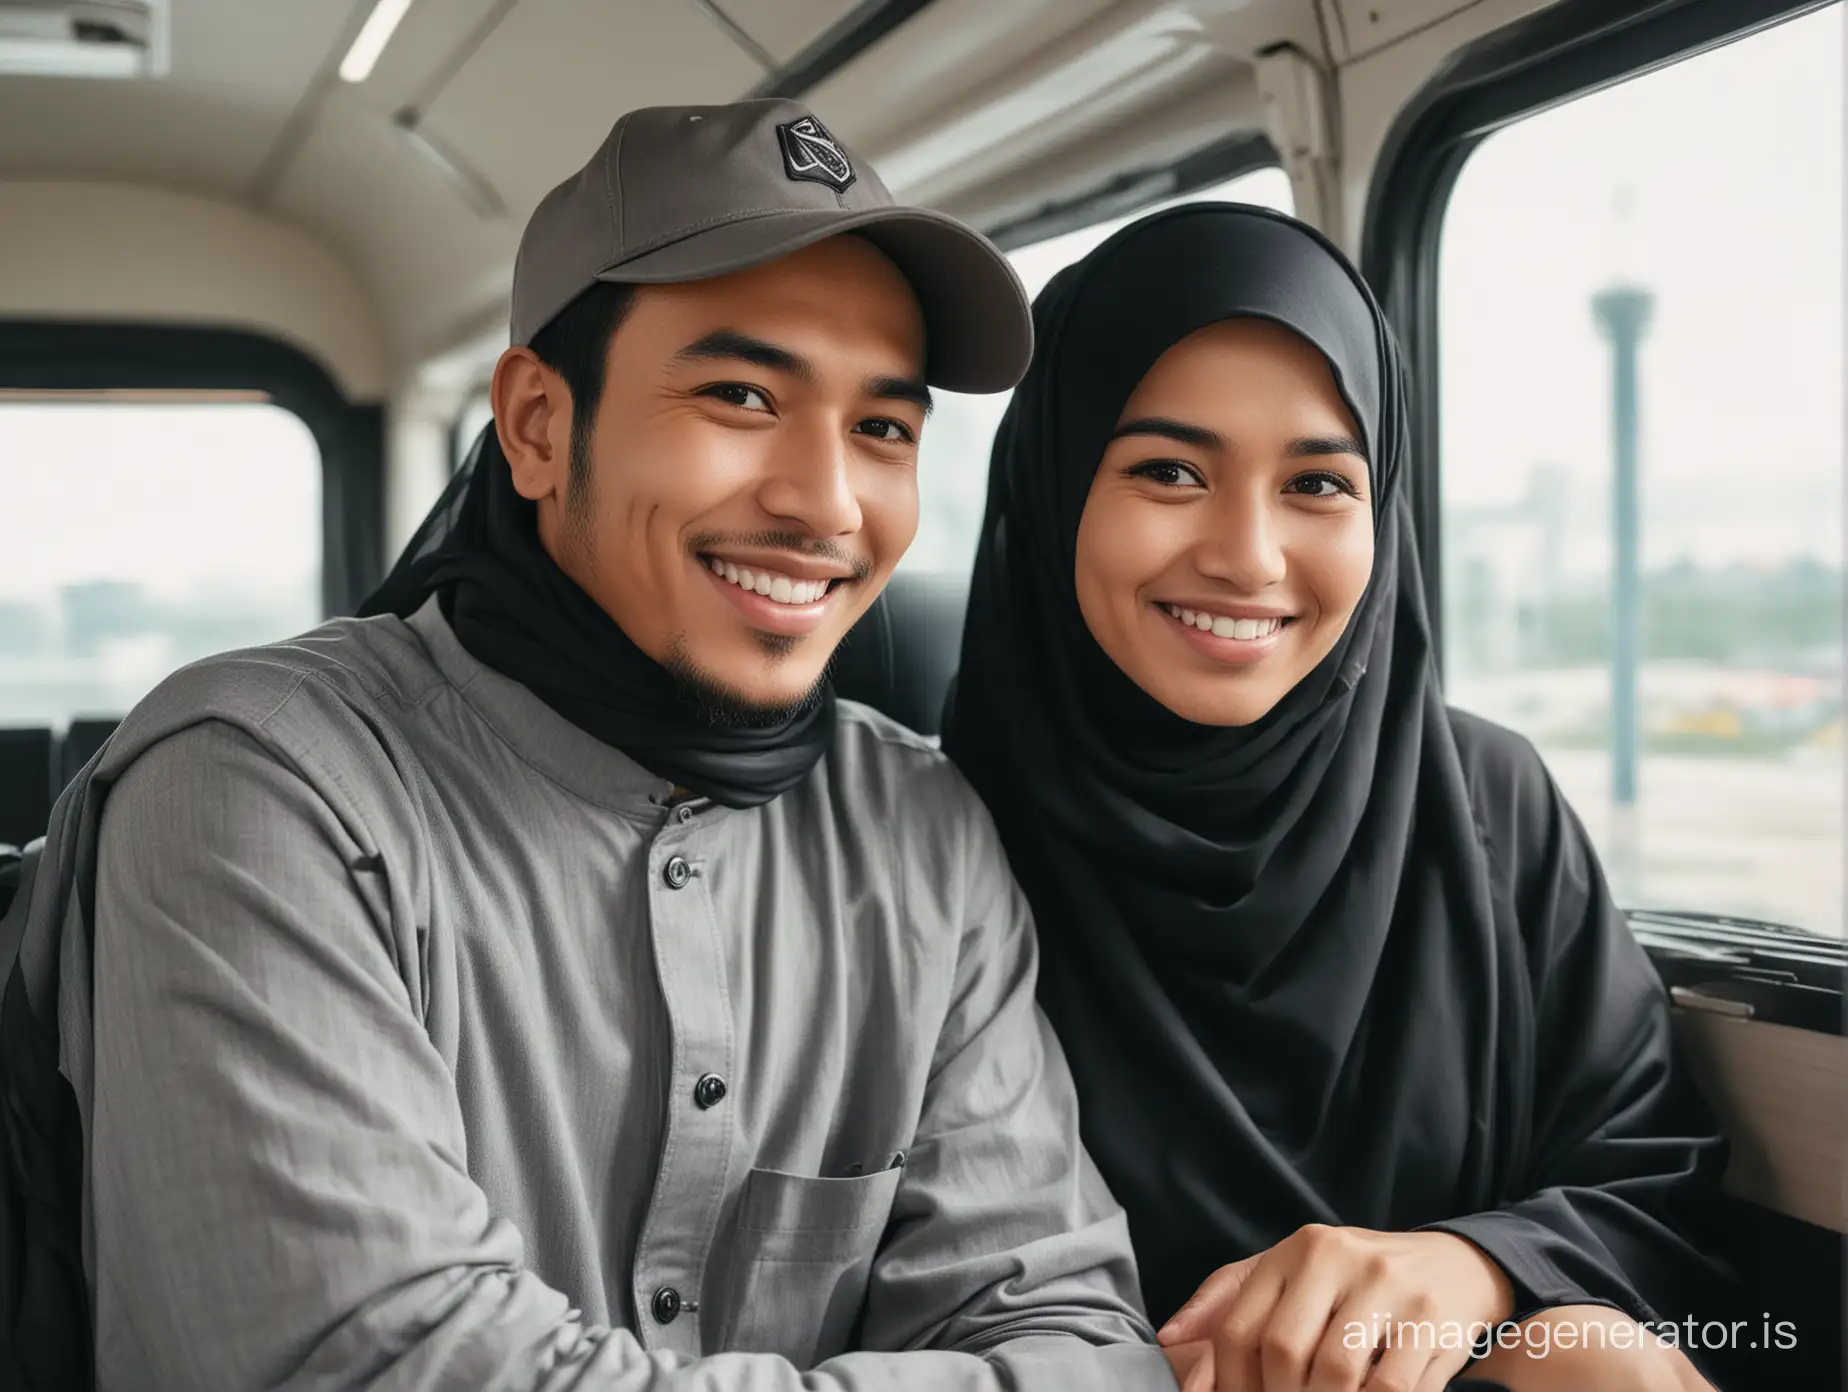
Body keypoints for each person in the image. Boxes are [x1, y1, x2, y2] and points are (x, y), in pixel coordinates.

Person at [8, 100, 1180, 1390]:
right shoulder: (261, 788)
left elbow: (1081, 1343)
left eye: (882, 429)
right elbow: (367, 1370)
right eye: (741, 395)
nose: (827, 503)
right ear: (536, 425)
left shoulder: (921, 831)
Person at [941, 204, 1729, 1392]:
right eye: (1167, 470)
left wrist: (1479, 1270)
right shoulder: (923, 847)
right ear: (1053, 487)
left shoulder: (1487, 804)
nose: (1247, 556)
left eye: (1317, 482)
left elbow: (1650, 1178)